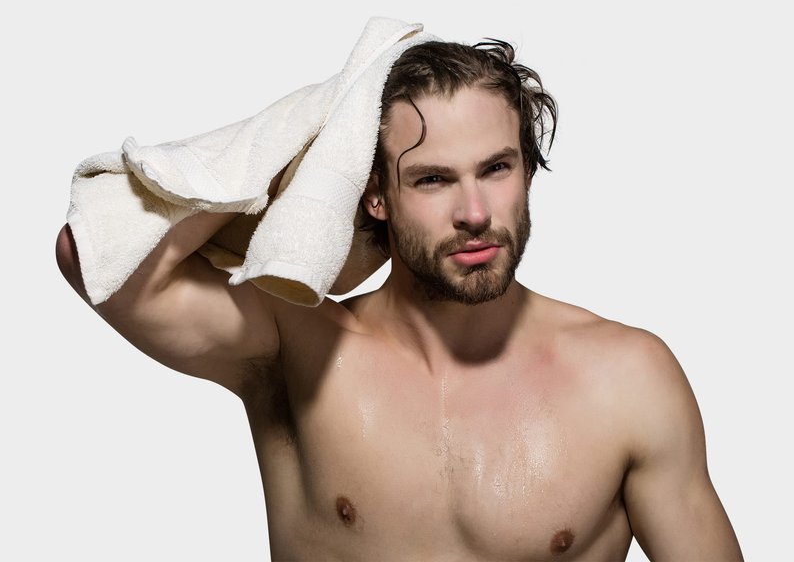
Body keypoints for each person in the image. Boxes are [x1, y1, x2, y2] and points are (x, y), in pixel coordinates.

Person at [56, 39, 743, 561]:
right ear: (374, 195)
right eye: (432, 179)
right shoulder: (297, 347)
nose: (475, 212)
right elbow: (94, 257)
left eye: (496, 168)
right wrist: (311, 133)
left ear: (527, 172)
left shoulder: (627, 378)